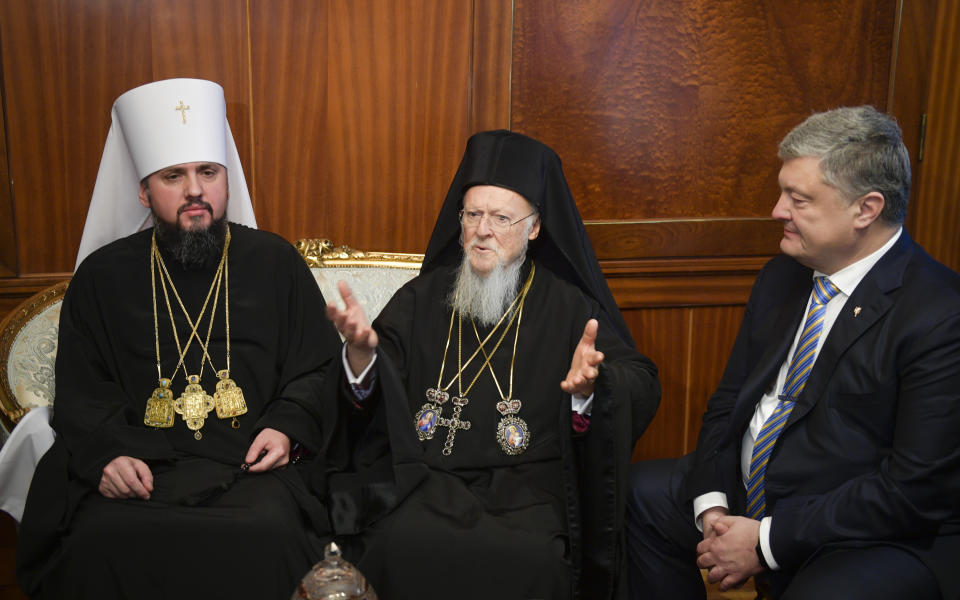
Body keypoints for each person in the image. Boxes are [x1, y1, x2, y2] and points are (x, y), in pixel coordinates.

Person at [16, 78, 342, 600]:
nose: (196, 190)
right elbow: (81, 389)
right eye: (174, 176)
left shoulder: (275, 263)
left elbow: (317, 368)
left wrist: (286, 427)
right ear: (144, 190)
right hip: (141, 472)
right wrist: (108, 456)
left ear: (225, 180)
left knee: (270, 532)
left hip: (251, 471)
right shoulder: (102, 276)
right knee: (99, 539)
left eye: (208, 173)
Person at [626, 106, 960, 600]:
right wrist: (714, 507)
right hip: (755, 494)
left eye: (798, 198)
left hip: (864, 529)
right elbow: (729, 403)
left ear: (865, 209)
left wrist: (764, 540)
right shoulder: (781, 276)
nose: (777, 210)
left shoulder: (940, 314)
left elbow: (911, 491)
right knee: (641, 494)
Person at [324, 130, 661, 599]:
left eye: (501, 217)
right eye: (473, 214)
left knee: (533, 558)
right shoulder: (421, 299)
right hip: (423, 478)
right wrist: (361, 357)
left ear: (535, 227)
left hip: (528, 490)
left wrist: (592, 388)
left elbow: (640, 379)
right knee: (398, 542)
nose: (482, 230)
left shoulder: (567, 307)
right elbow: (372, 397)